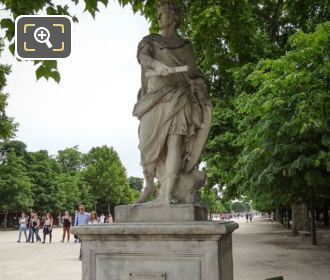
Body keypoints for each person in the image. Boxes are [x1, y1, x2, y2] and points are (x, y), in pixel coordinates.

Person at [134, 0, 212, 205]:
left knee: (174, 142)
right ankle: (150, 183)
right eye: (158, 13)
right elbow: (143, 57)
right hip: (153, 99)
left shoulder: (185, 47)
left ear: (175, 17)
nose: (160, 17)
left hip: (179, 98)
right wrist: (156, 64)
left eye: (164, 12)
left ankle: (167, 193)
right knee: (145, 144)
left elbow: (195, 75)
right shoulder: (150, 40)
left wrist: (200, 92)